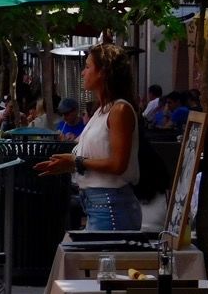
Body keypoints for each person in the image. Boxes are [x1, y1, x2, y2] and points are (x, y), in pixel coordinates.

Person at [36, 43, 141, 230]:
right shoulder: (102, 111)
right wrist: (70, 164)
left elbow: (118, 164)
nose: (83, 73)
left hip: (111, 205)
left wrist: (76, 162)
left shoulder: (120, 110)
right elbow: (96, 158)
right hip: (98, 203)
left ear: (104, 72)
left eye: (87, 66)